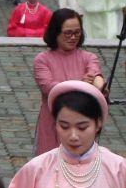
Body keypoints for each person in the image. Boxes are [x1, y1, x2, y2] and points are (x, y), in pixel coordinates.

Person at [30, 9, 106, 156]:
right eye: (68, 33)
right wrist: (80, 84)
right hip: (53, 124)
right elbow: (49, 88)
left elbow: (95, 75)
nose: (73, 37)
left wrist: (99, 86)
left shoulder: (88, 57)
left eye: (77, 33)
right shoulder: (42, 60)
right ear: (55, 32)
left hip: (82, 125)